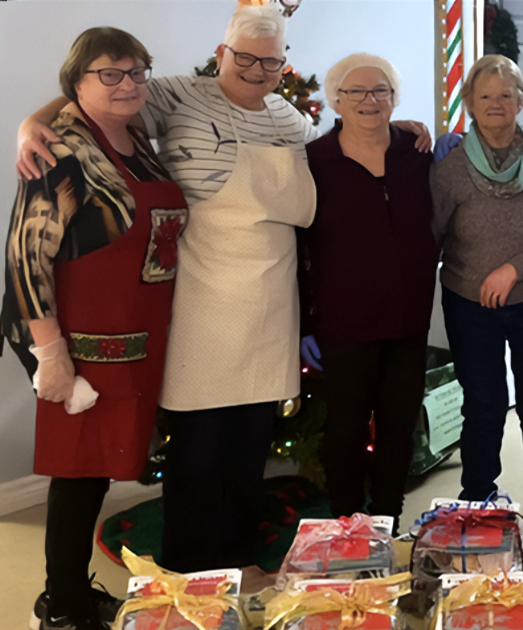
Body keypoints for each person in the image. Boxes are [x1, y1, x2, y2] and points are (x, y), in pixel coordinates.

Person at [16, 5, 430, 573]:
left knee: (246, 450)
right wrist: (32, 121)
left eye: (271, 62)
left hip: (270, 304)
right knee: (200, 448)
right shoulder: (177, 95)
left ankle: (236, 562)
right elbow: (101, 99)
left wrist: (400, 127)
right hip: (204, 299)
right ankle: (191, 569)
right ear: (221, 54)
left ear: (284, 65)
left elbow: (344, 148)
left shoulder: (289, 119)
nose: (258, 71)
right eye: (245, 58)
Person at [2, 28, 187, 630]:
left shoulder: (137, 139)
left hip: (134, 335)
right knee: (77, 474)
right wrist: (50, 353)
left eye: (136, 72)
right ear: (76, 83)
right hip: (82, 342)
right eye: (110, 73)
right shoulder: (58, 150)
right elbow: (25, 255)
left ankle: (70, 592)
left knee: (98, 470)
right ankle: (61, 607)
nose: (127, 84)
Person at [430, 54, 523, 563]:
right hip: (469, 303)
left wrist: (514, 269)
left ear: (521, 100)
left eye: (506, 94)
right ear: (470, 103)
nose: (496, 104)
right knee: (484, 404)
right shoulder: (451, 166)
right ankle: (477, 504)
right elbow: (432, 233)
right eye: (485, 95)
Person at [299, 54, 438, 524]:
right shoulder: (315, 161)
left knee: (399, 427)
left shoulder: (416, 153)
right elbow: (298, 247)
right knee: (346, 429)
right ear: (336, 100)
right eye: (355, 91)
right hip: (344, 321)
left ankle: (387, 519)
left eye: (380, 90)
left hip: (408, 317)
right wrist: (303, 323)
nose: (369, 100)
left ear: (394, 99)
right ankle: (346, 522)